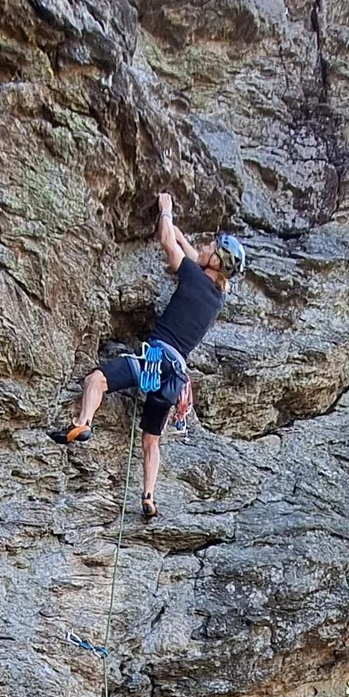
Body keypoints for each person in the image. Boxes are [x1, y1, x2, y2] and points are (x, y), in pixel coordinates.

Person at [50, 191, 245, 523]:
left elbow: (169, 243)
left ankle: (82, 424)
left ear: (216, 262)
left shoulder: (196, 277)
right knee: (151, 440)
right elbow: (192, 253)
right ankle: (149, 497)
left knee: (95, 379)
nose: (206, 249)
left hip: (155, 359)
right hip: (175, 376)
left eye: (212, 248)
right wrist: (181, 231)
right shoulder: (214, 297)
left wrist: (165, 212)